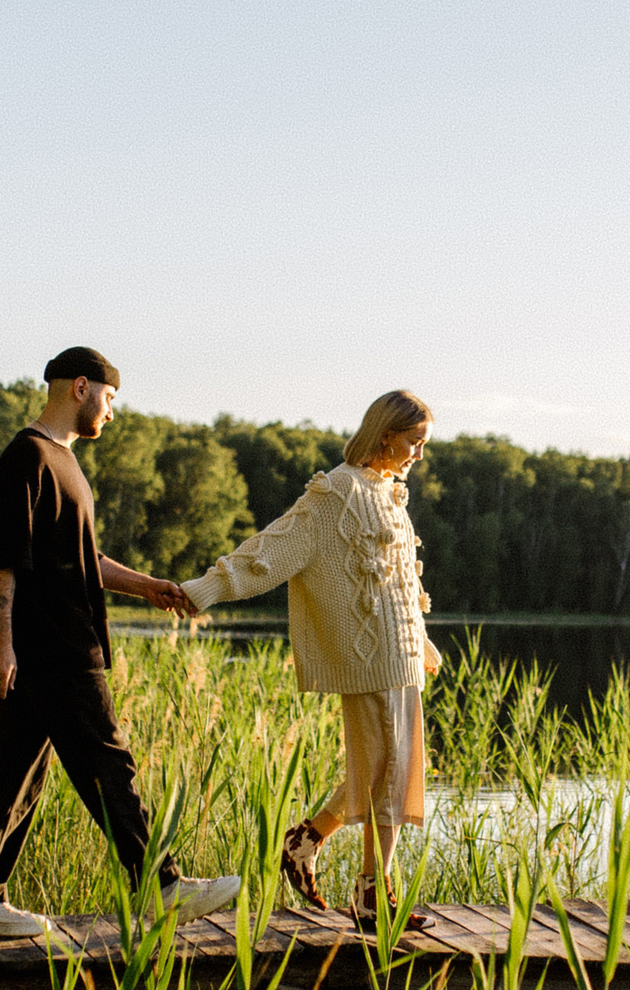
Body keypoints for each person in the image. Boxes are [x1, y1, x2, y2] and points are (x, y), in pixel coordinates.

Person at [0, 347, 245, 938]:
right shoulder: (28, 456)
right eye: (109, 399)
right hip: (53, 646)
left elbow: (87, 558)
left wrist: (149, 587)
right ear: (80, 387)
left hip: (49, 647)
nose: (111, 412)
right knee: (108, 762)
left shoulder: (65, 462)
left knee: (14, 772)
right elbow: (3, 561)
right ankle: (161, 885)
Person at [181, 390, 440, 926]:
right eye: (415, 441)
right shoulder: (337, 493)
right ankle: (372, 895)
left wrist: (423, 639)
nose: (419, 453)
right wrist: (204, 589)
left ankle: (306, 841)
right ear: (385, 434)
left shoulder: (389, 492)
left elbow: (398, 582)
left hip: (403, 655)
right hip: (368, 659)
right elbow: (273, 549)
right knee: (387, 773)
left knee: (388, 768)